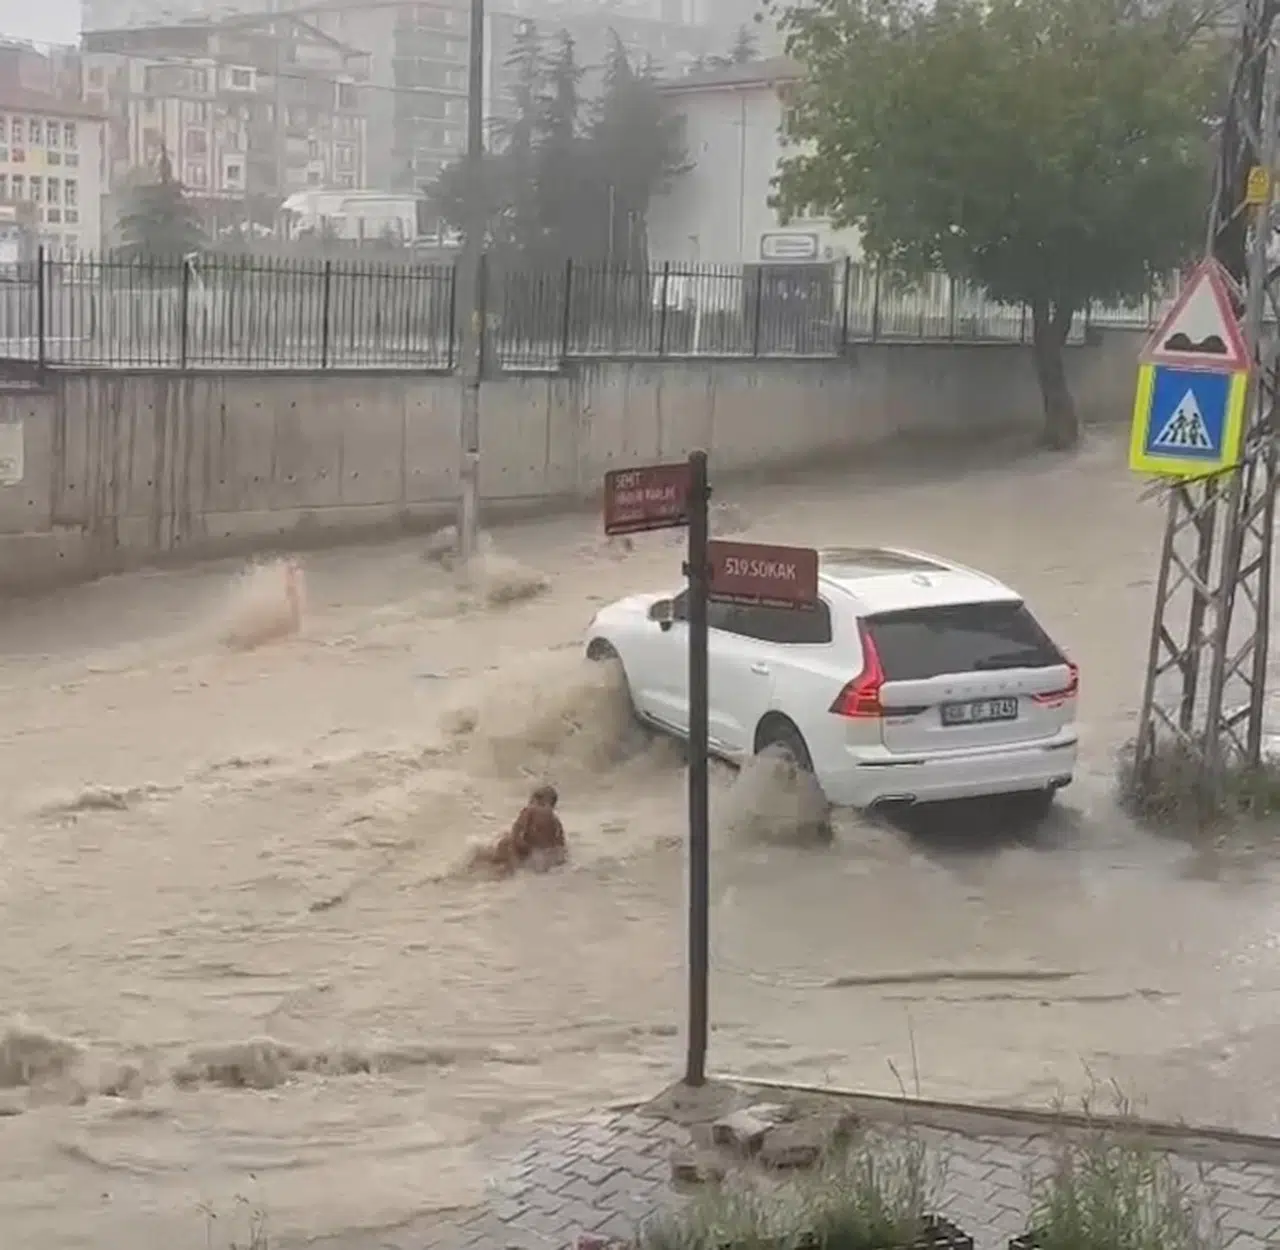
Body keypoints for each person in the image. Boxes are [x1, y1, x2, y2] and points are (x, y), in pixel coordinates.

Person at [470, 784, 567, 876]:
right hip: (537, 856)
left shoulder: (530, 810)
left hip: (521, 851)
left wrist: (515, 850)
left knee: (482, 851)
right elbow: (560, 846)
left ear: (535, 799)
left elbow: (516, 831)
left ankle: (468, 872)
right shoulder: (555, 821)